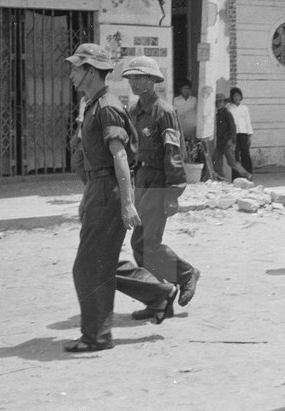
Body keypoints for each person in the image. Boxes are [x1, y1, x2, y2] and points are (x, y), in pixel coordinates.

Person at [64, 44, 178, 353]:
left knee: (88, 267)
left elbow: (120, 158)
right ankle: (159, 293)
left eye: (77, 68)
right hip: (97, 191)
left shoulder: (107, 106)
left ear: (90, 71)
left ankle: (97, 336)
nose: (72, 73)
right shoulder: (92, 104)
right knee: (99, 263)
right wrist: (87, 197)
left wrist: (127, 203)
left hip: (109, 192)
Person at [122, 57, 201, 313]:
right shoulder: (133, 111)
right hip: (141, 184)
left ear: (153, 80)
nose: (133, 83)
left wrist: (173, 193)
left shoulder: (164, 111)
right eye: (131, 78)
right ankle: (159, 299)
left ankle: (185, 274)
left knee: (146, 243)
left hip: (159, 183)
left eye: (139, 77)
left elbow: (173, 153)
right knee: (142, 244)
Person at [211, 91, 251, 181]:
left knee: (232, 163)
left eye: (220, 102)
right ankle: (220, 178)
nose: (218, 104)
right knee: (214, 160)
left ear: (224, 103)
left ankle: (247, 175)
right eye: (217, 102)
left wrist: (232, 142)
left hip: (227, 143)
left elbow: (233, 128)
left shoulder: (227, 114)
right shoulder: (218, 115)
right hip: (220, 143)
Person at [228, 87, 254, 179]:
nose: (237, 98)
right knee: (235, 154)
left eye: (238, 96)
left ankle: (248, 173)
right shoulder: (230, 108)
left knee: (245, 153)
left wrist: (249, 135)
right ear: (232, 97)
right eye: (235, 96)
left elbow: (248, 121)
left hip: (243, 133)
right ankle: (236, 175)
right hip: (233, 134)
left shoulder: (244, 108)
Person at [173, 79, 198, 143]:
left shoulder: (194, 100)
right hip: (180, 129)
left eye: (188, 88)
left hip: (192, 130)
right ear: (180, 89)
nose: (186, 90)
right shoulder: (175, 100)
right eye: (184, 88)